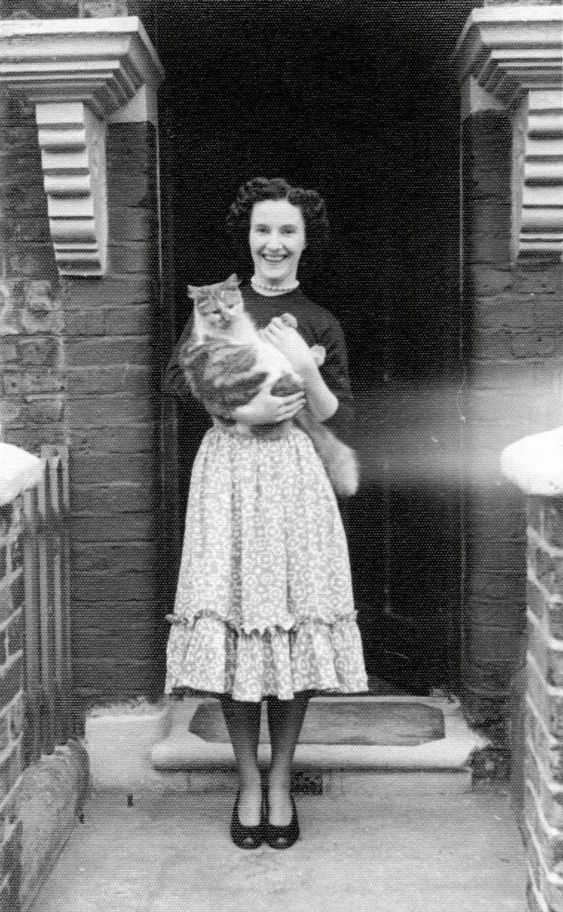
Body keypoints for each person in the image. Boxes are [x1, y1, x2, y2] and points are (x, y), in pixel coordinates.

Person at [164, 177, 368, 849]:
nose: (273, 242)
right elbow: (179, 380)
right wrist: (240, 407)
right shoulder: (222, 304)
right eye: (262, 230)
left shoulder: (320, 319)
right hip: (229, 470)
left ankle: (280, 781)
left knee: (289, 617)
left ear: (306, 241)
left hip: (293, 475)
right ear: (246, 236)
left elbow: (332, 408)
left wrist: (301, 367)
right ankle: (245, 782)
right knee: (240, 622)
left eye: (287, 231)